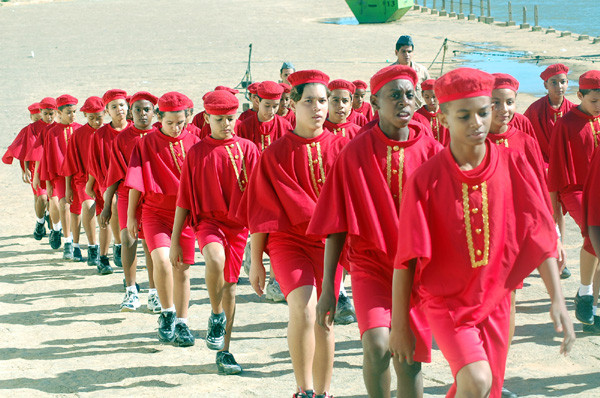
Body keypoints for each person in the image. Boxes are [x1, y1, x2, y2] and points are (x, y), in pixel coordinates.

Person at [390, 67, 575, 398]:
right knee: (476, 379)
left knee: (486, 388)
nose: (476, 122)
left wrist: (557, 299)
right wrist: (401, 326)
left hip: (496, 301)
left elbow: (538, 233)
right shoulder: (424, 180)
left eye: (482, 112)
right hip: (447, 302)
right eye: (464, 115)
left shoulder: (512, 164)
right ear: (444, 119)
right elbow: (406, 259)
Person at [310, 64, 441, 398]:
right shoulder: (353, 152)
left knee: (409, 360)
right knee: (378, 346)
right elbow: (336, 224)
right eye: (394, 95)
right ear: (373, 101)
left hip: (417, 271)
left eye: (409, 95)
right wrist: (328, 288)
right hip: (371, 265)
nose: (404, 102)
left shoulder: (433, 153)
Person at [242, 70, 348, 398]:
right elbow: (262, 212)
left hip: (330, 245)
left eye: (323, 101)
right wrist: (258, 261)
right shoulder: (275, 154)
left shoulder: (343, 149)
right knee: (303, 307)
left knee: (325, 317)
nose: (318, 108)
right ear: (292, 104)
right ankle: (304, 390)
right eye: (309, 101)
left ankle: (324, 392)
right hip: (289, 241)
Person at [173, 90, 260, 374]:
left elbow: (259, 197)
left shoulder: (248, 149)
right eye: (219, 119)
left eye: (231, 119)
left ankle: (225, 351)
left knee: (232, 287)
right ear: (206, 118)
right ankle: (215, 313)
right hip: (208, 222)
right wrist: (175, 240)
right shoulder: (197, 152)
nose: (226, 124)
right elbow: (184, 198)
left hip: (238, 227)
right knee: (214, 259)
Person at [125, 91, 200, 346]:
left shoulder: (195, 141)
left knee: (182, 271)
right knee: (162, 261)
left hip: (185, 216)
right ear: (159, 118)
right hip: (155, 212)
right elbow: (136, 183)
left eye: (181, 122)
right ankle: (167, 313)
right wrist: (130, 216)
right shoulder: (145, 143)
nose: (176, 128)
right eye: (170, 123)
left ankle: (182, 322)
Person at [548, 70, 600, 328]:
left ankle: (591, 309)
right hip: (575, 191)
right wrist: (552, 209)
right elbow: (556, 168)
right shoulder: (565, 124)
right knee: (593, 237)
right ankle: (584, 291)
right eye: (594, 101)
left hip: (599, 190)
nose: (599, 106)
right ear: (580, 95)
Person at [102, 91, 160, 312]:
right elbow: (114, 175)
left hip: (154, 196)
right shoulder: (123, 139)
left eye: (147, 110)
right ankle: (131, 291)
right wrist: (107, 205)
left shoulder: (160, 135)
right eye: (137, 110)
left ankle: (154, 293)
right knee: (128, 239)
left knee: (151, 243)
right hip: (127, 195)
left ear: (154, 112)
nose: (142, 114)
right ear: (130, 111)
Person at [88, 89, 129, 273]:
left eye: (121, 105)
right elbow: (94, 161)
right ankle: (112, 250)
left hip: (131, 182)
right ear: (107, 111)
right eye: (114, 106)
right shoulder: (100, 135)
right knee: (110, 204)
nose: (119, 109)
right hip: (107, 180)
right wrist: (94, 183)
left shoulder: (134, 130)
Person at [62, 96, 105, 265]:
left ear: (105, 113)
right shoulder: (78, 134)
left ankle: (109, 248)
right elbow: (69, 163)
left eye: (99, 117)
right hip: (83, 179)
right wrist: (68, 188)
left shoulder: (108, 132)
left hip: (105, 180)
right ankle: (93, 246)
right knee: (88, 206)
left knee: (106, 213)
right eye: (91, 117)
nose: (95, 121)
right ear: (85, 116)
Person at [39, 95, 81, 258]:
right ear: (59, 113)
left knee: (77, 209)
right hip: (59, 176)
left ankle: (77, 242)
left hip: (78, 175)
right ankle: (67, 241)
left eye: (74, 112)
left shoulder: (79, 129)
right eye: (69, 112)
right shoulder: (51, 132)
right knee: (64, 204)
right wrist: (48, 182)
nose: (72, 115)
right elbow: (48, 158)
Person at [2, 102, 49, 240]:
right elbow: (23, 150)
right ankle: (40, 220)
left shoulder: (53, 126)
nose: (36, 121)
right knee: (40, 197)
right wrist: (26, 169)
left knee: (52, 197)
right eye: (34, 118)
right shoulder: (29, 129)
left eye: (38, 117)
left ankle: (48, 217)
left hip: (52, 166)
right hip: (36, 166)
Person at [525, 64, 576, 167]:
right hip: (542, 162)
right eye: (553, 82)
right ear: (545, 85)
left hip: (569, 162)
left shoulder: (573, 110)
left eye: (562, 82)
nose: (559, 86)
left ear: (567, 83)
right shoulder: (535, 109)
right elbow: (523, 133)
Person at [238, 80, 292, 152]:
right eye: (267, 106)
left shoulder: (285, 126)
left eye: (275, 106)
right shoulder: (245, 126)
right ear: (257, 101)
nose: (271, 111)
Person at [392, 35, 430, 107]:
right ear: (396, 52)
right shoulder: (390, 72)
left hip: (418, 112)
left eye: (409, 51)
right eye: (403, 51)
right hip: (398, 113)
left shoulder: (422, 71)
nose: (407, 55)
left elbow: (431, 91)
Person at [416, 79, 449, 146]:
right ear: (422, 95)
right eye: (427, 97)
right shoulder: (417, 116)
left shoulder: (447, 114)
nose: (431, 100)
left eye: (434, 97)